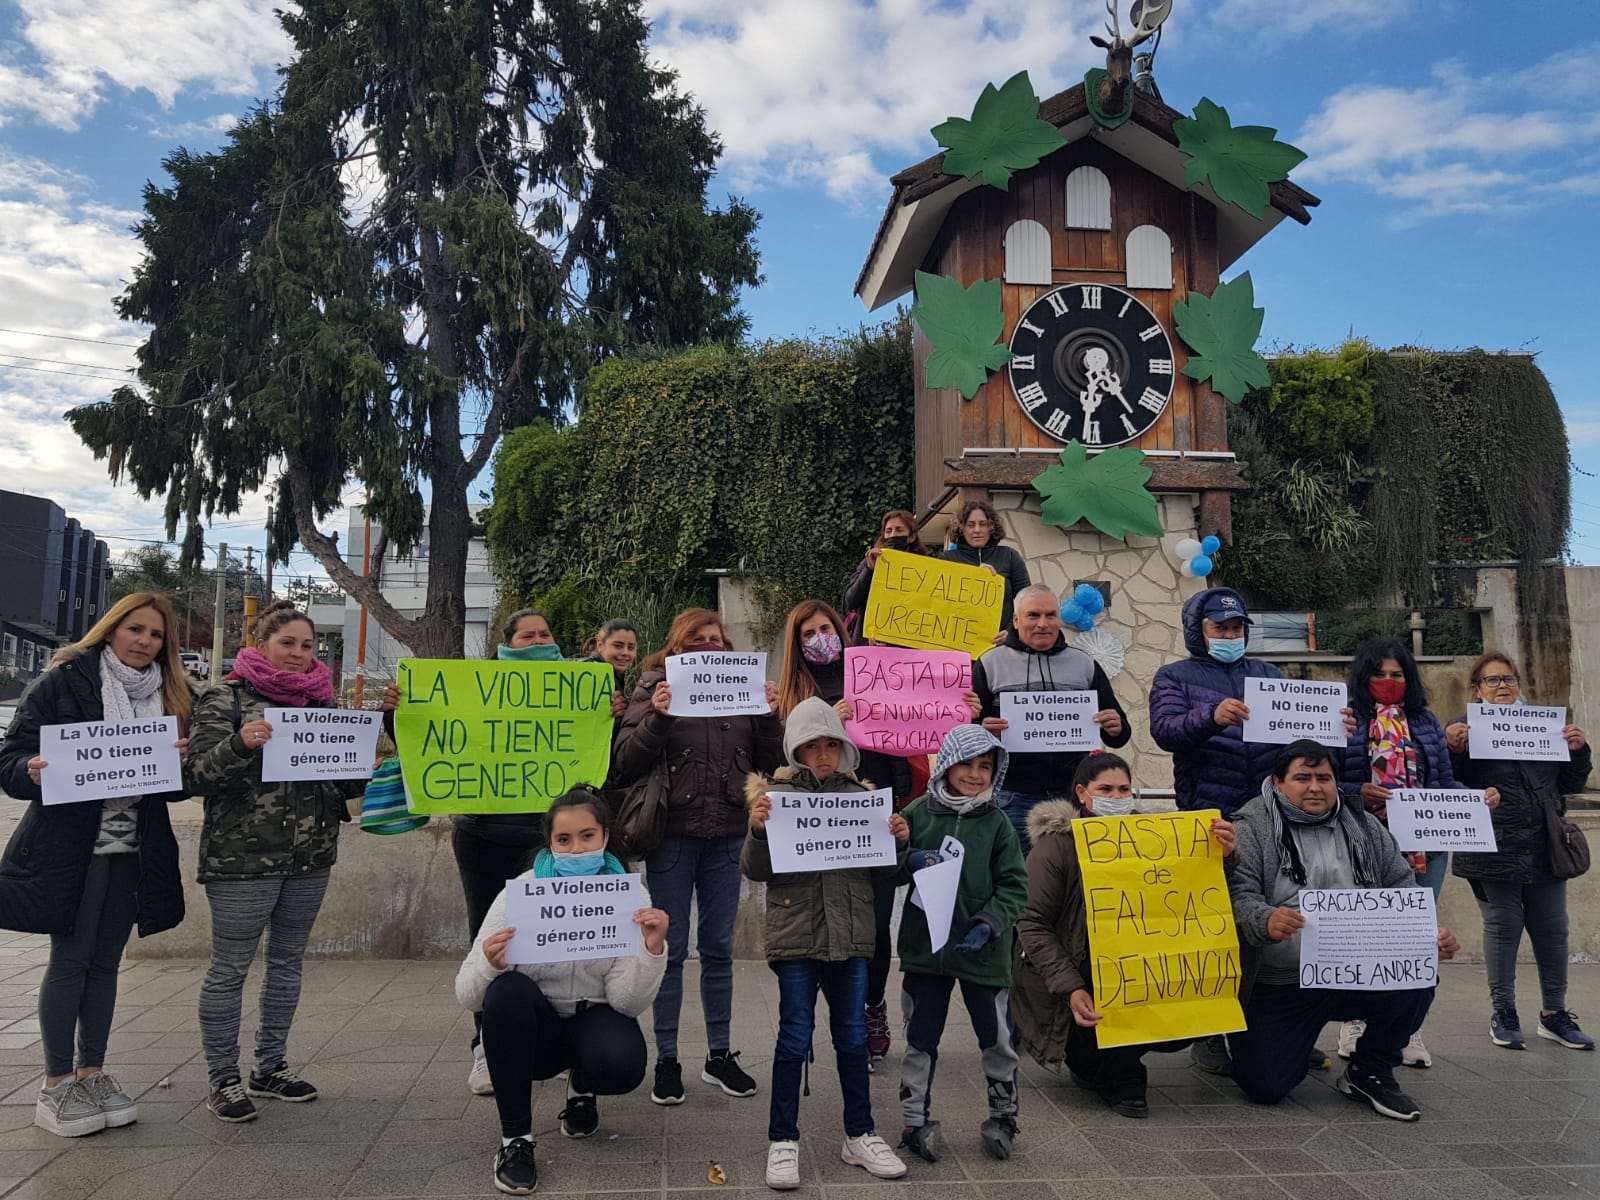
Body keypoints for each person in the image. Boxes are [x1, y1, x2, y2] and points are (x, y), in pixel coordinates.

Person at [0, 593, 191, 1137]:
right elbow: (9, 762)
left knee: (106, 964)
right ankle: (56, 1084)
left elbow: (178, 787)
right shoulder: (62, 681)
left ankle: (93, 1073)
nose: (145, 642)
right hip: (69, 851)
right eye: (135, 629)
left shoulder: (172, 694)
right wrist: (30, 770)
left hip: (134, 852)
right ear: (110, 630)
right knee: (71, 960)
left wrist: (180, 766)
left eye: (156, 635)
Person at [1148, 586, 1354, 1075]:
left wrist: (1339, 731)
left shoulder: (1270, 675)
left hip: (1273, 821)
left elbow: (1303, 749)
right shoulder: (1174, 676)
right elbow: (1164, 731)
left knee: (1277, 924)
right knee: (1217, 931)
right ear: (1198, 631)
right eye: (1220, 628)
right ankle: (1211, 1035)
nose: (1230, 635)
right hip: (1210, 818)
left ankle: (1283, 1031)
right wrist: (1209, 716)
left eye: (1237, 627)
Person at [186, 600, 368, 1124]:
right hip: (242, 859)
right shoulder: (226, 697)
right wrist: (240, 744)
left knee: (287, 964)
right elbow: (195, 775)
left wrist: (368, 757)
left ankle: (270, 1067)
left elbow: (345, 783)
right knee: (230, 968)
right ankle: (223, 1078)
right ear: (261, 644)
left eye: (307, 645)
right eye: (287, 643)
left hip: (310, 856)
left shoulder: (322, 704)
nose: (298, 653)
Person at [381, 606, 570, 1096]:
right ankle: (487, 1046)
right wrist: (396, 711)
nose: (538, 641)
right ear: (506, 644)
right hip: (482, 838)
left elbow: (607, 748)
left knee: (551, 943)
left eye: (544, 634)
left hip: (545, 841)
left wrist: (609, 710)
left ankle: (549, 1040)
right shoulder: (473, 688)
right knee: (489, 941)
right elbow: (424, 738)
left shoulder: (574, 691)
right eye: (527, 636)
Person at [1227, 740, 1461, 1122]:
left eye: (1324, 778)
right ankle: (1279, 1042)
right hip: (1280, 981)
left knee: (1417, 976)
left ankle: (1371, 1070)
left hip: (1357, 975)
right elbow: (1237, 898)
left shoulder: (1365, 825)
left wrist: (1429, 935)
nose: (1315, 787)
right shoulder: (1251, 826)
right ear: (1278, 783)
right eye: (1302, 778)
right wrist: (1265, 920)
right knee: (1265, 1087)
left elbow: (1402, 887)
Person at [455, 787, 668, 1195]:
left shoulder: (629, 896)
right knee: (505, 993)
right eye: (564, 839)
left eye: (587, 836)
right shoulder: (521, 892)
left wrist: (651, 950)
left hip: (594, 1018)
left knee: (622, 1064)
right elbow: (467, 995)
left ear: (605, 837)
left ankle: (582, 1086)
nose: (576, 849)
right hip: (537, 1029)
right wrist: (490, 963)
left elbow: (627, 1002)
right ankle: (515, 1140)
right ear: (549, 842)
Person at [612, 607, 783, 1106]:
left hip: (728, 834)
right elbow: (625, 761)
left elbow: (771, 765)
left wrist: (769, 718)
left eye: (716, 640)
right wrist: (659, 717)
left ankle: (719, 1055)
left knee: (718, 950)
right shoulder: (653, 686)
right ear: (677, 646)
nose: (708, 646)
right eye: (696, 639)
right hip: (671, 836)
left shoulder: (746, 689)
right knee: (668, 949)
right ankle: (667, 1059)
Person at [742, 697, 910, 1189]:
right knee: (794, 1035)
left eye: (831, 745)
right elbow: (755, 870)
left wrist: (898, 839)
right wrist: (758, 832)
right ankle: (782, 1139)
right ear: (795, 749)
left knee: (853, 1037)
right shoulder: (775, 798)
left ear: (844, 749)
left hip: (852, 936)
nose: (822, 755)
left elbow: (887, 872)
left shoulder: (862, 797)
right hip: (796, 936)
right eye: (811, 745)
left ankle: (860, 1133)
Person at [773, 599, 950, 1066]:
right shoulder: (789, 697)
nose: (819, 639)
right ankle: (812, 1020)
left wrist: (962, 708)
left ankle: (871, 1009)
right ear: (796, 644)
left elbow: (911, 723)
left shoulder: (873, 674)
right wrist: (829, 723)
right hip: (815, 827)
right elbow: (779, 759)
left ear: (841, 629)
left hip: (873, 816)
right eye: (807, 634)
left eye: (825, 628)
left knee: (873, 925)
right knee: (814, 928)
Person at [1012, 754, 1236, 1118]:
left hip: (1139, 970)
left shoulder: (1153, 838)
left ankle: (1120, 1058)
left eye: (1123, 789)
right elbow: (1032, 922)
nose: (1116, 798)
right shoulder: (1056, 847)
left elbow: (1192, 890)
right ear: (1082, 793)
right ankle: (1107, 1065)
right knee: (1096, 1058)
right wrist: (1071, 988)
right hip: (1073, 976)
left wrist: (1222, 856)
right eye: (1105, 789)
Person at [1337, 638, 1494, 1069]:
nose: (1389, 681)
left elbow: (1441, 782)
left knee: (1414, 933)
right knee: (1364, 933)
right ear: (1363, 677)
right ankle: (1355, 1021)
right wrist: (1357, 792)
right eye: (1379, 674)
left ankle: (1407, 1026)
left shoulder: (1424, 721)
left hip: (1425, 846)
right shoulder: (1345, 720)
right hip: (1360, 842)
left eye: (1397, 674)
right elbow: (1323, 780)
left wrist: (1475, 798)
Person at [1445, 653, 1594, 1051]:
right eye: (1492, 680)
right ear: (1477, 689)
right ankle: (1504, 1012)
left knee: (1553, 929)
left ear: (1519, 685)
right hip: (1491, 845)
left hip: (1544, 845)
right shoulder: (1463, 729)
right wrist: (1452, 750)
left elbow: (1570, 784)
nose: (1502, 686)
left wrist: (1578, 750)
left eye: (1509, 679)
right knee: (1503, 926)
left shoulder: (1546, 727)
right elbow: (1445, 781)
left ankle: (1554, 1014)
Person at [896, 725, 1029, 1162]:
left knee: (996, 1038)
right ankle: (914, 1120)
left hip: (985, 954)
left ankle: (1003, 1117)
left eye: (985, 766)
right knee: (920, 1038)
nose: (975, 774)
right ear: (947, 764)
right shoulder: (917, 813)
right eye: (966, 764)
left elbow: (1015, 885)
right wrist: (907, 858)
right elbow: (885, 865)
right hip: (926, 950)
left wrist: (991, 922)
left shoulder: (998, 823)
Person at [973, 584, 1129, 849]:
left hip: (1075, 796)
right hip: (1013, 796)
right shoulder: (989, 663)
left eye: (1050, 615)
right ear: (1016, 620)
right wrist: (981, 730)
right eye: (1033, 615)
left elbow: (1119, 733)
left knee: (1076, 870)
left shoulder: (1084, 664)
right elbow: (967, 729)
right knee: (1019, 872)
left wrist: (1116, 726)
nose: (1043, 624)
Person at [939, 500, 1031, 635]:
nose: (977, 530)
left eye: (983, 524)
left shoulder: (1009, 556)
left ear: (991, 527)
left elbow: (1027, 602)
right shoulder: (946, 560)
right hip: (960, 640)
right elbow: (939, 604)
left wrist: (1011, 632)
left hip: (1003, 642)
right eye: (970, 525)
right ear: (961, 528)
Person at [842, 510, 925, 643]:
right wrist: (869, 570)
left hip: (907, 646)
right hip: (869, 645)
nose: (893, 535)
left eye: (899, 530)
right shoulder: (870, 562)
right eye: (888, 531)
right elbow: (851, 601)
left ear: (911, 536)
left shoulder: (924, 569)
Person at [583, 618, 639, 721]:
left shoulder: (618, 675)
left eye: (631, 648)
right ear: (600, 645)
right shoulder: (585, 673)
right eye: (618, 646)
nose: (625, 653)